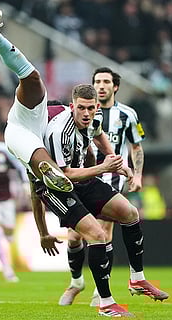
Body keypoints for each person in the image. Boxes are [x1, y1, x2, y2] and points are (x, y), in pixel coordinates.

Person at [32, 84, 169, 316]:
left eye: (91, 108)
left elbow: (99, 135)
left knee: (130, 213)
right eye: (81, 108)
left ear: (97, 107)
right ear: (72, 106)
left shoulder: (93, 119)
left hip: (83, 177)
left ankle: (137, 279)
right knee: (97, 235)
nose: (86, 113)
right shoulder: (58, 132)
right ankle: (105, 303)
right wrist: (43, 232)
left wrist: (118, 163)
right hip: (57, 188)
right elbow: (63, 174)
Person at [59, 67, 148, 307]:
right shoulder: (79, 117)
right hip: (82, 178)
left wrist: (136, 174)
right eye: (97, 81)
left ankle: (101, 293)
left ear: (115, 86)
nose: (101, 85)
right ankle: (76, 281)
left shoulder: (128, 114)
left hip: (111, 180)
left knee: (104, 234)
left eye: (106, 81)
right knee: (75, 237)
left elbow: (136, 146)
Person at [0, 8, 73, 194]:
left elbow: (37, 203)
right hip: (26, 125)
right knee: (32, 77)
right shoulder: (68, 117)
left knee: (123, 215)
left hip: (26, 142)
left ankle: (45, 175)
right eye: (83, 108)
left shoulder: (85, 133)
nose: (87, 113)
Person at [0, 124, 28, 283]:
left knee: (9, 232)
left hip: (6, 199)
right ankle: (7, 268)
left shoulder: (3, 150)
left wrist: (25, 183)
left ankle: (6, 237)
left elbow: (20, 165)